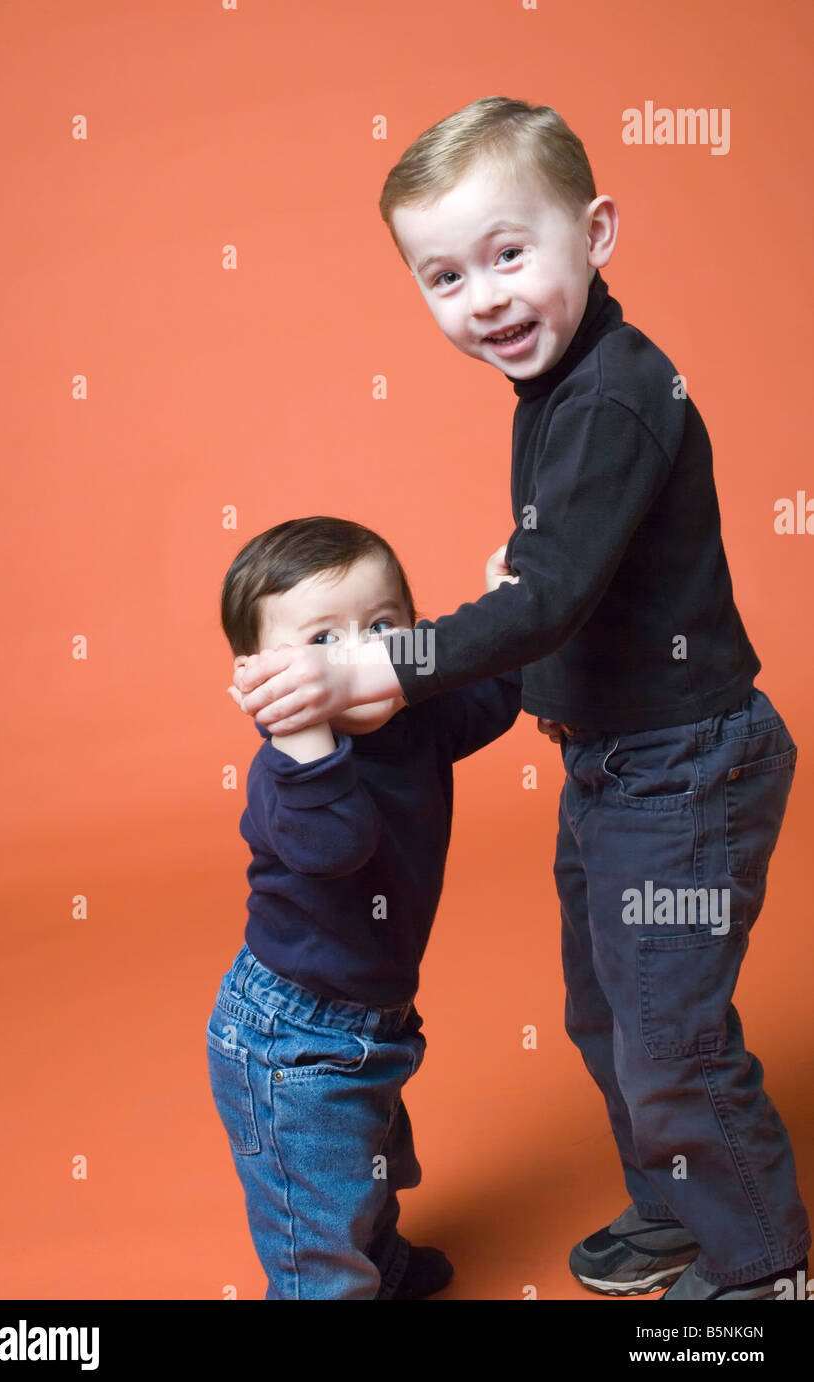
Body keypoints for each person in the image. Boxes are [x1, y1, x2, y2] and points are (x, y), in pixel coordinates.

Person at [235, 97, 810, 1300]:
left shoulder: (606, 395)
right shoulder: (555, 390)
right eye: (444, 276)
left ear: (594, 232)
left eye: (508, 254)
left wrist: (380, 664)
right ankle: (674, 1205)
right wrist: (514, 604)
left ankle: (759, 1265)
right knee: (608, 1010)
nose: (483, 297)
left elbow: (545, 602)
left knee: (668, 1034)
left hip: (683, 767)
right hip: (617, 762)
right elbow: (561, 583)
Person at [207, 514, 522, 1299]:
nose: (356, 654)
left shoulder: (417, 718)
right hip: (292, 1036)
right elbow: (338, 844)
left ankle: (382, 1263)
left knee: (373, 1166)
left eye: (382, 626)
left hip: (372, 1019)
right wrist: (303, 729)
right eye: (321, 641)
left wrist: (506, 605)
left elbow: (493, 697)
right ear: (257, 674)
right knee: (319, 1217)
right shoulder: (288, 771)